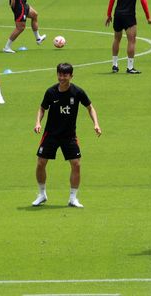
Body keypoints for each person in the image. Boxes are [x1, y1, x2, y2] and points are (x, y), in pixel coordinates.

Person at [32, 63, 101, 208]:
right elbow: (42, 108)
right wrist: (38, 122)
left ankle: (73, 198)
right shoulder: (50, 92)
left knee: (76, 164)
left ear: (71, 76)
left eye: (65, 75)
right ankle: (41, 194)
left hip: (69, 135)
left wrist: (96, 124)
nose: (62, 78)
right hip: (50, 134)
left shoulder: (77, 92)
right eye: (60, 74)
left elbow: (90, 107)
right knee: (40, 163)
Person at [105, 0, 151, 74]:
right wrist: (148, 16)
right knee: (131, 40)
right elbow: (143, 0)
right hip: (129, 16)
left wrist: (109, 14)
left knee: (117, 39)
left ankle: (114, 65)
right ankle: (130, 67)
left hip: (118, 15)